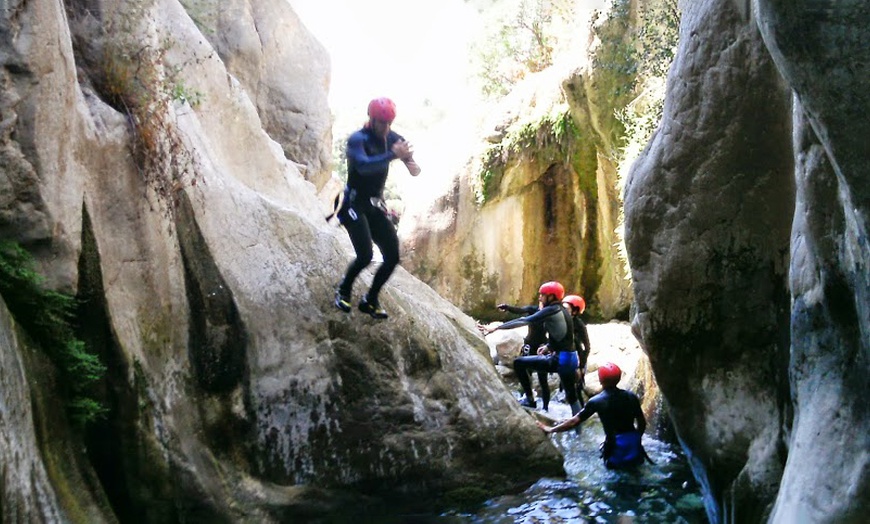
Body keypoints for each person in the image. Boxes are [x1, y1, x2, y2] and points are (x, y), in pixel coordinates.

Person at [333, 97, 420, 319]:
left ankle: (370, 299)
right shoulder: (357, 139)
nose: (386, 127)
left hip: (374, 205)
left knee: (392, 257)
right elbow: (363, 167)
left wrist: (410, 163)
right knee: (365, 255)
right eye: (382, 122)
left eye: (389, 122)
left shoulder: (392, 138)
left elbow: (413, 166)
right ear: (371, 119)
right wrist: (393, 155)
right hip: (353, 203)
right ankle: (343, 290)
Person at [482, 281, 581, 415]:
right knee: (572, 397)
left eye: (542, 295)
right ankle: (578, 430)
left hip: (561, 359)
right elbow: (564, 334)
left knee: (518, 363)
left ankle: (530, 400)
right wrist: (548, 346)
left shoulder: (551, 310)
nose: (540, 297)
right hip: (570, 357)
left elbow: (524, 320)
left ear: (551, 297)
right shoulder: (561, 310)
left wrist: (496, 327)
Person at [537, 362, 649, 470]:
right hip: (634, 442)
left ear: (600, 379)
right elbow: (642, 423)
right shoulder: (631, 396)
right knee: (636, 472)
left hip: (615, 444)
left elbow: (574, 422)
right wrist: (636, 439)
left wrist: (550, 429)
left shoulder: (596, 401)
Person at [562, 295, 591, 406]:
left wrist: (581, 366)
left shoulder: (579, 325)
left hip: (578, 358)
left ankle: (580, 412)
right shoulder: (562, 322)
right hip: (566, 356)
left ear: (574, 312)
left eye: (566, 309)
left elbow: (586, 347)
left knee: (577, 387)